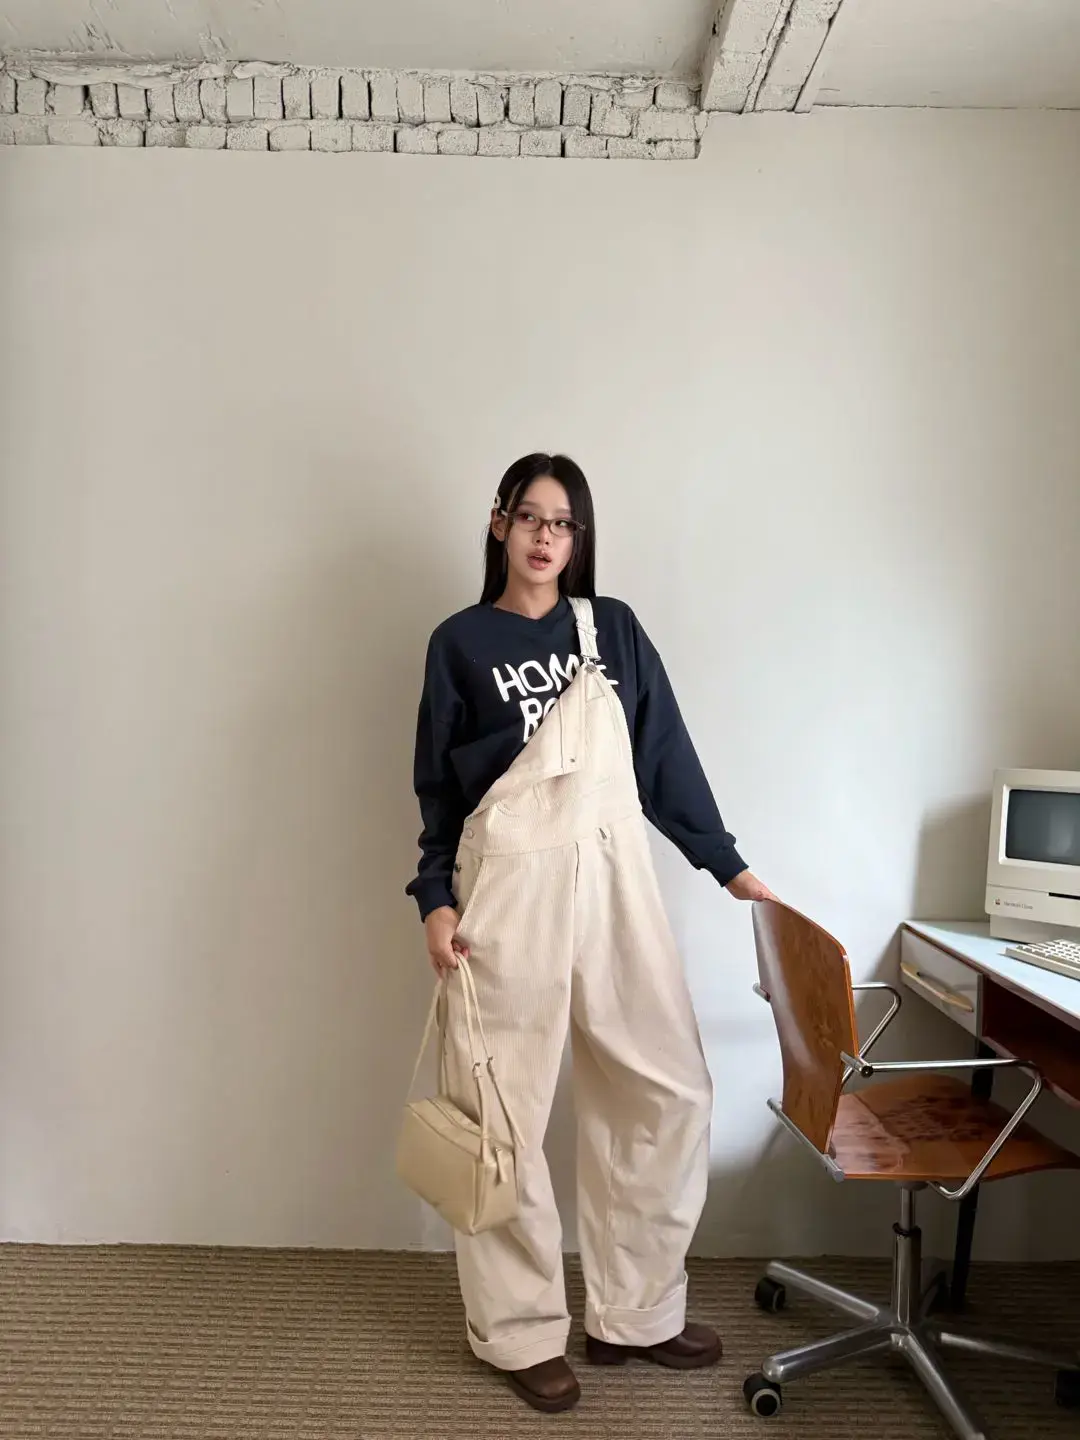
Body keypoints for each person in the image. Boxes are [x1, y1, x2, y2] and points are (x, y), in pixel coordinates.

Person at [406, 452, 775, 1413]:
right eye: (529, 517)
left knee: (665, 1085)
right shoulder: (459, 642)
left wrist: (725, 863)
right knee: (501, 1114)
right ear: (499, 524)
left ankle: (636, 1313)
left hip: (615, 875)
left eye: (563, 522)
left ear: (580, 537)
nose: (545, 537)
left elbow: (664, 755)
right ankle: (519, 1330)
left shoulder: (610, 629)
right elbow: (440, 796)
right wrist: (436, 900)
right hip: (506, 887)